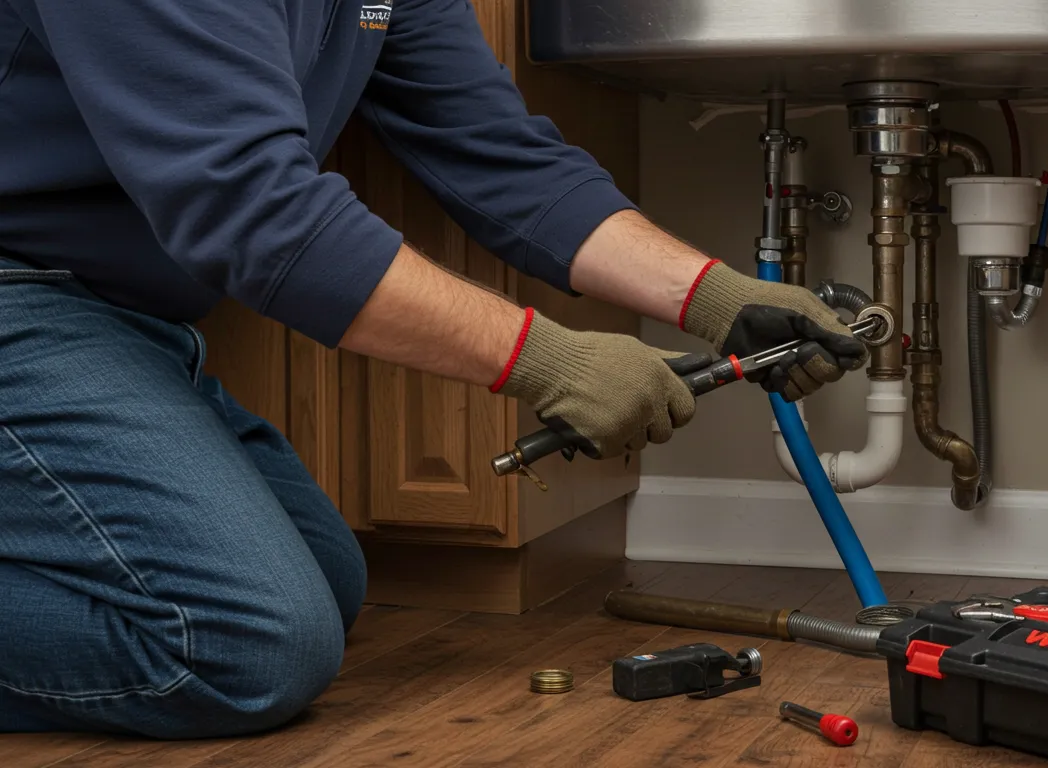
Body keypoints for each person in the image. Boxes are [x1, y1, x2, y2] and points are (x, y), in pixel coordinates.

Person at [0, 0, 867, 739]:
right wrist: (551, 360)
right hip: (19, 292)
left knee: (325, 582)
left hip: (109, 313)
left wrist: (716, 298)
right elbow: (253, 210)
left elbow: (494, 152)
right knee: (242, 642)